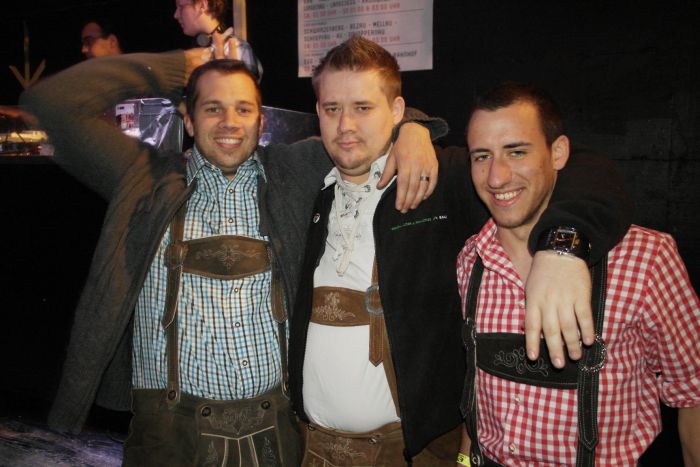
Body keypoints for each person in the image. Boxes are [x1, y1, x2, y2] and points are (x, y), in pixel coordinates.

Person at [20, 39, 438, 465]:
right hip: (169, 438)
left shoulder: (293, 171)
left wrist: (414, 130)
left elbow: (369, 124)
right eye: (212, 108)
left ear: (261, 120)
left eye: (243, 109)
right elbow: (51, 104)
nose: (229, 123)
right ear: (187, 118)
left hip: (276, 433)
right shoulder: (143, 178)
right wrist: (178, 66)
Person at [288, 37, 632, 466]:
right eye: (331, 109)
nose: (345, 126)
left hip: (415, 453)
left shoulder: (443, 175)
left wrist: (562, 246)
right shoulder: (308, 183)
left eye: (362, 107)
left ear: (396, 110)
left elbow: (585, 168)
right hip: (313, 449)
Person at [457, 82, 700, 466]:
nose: (496, 177)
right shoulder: (470, 260)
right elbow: (476, 390)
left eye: (517, 151)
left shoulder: (645, 259)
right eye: (482, 156)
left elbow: (693, 393)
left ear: (558, 153)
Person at [173, 0, 263, 81]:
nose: (176, 15)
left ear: (202, 5)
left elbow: (245, 92)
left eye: (181, 6)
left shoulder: (238, 49)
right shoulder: (196, 50)